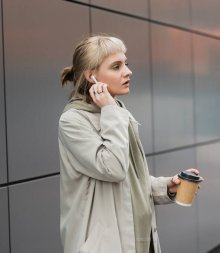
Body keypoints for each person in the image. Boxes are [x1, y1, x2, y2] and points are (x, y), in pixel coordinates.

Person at [58, 35, 203, 253]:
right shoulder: (73, 121)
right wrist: (110, 111)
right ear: (92, 76)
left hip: (140, 242)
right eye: (116, 66)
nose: (128, 71)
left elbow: (129, 184)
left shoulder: (117, 112)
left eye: (126, 63)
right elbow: (113, 169)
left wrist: (167, 186)